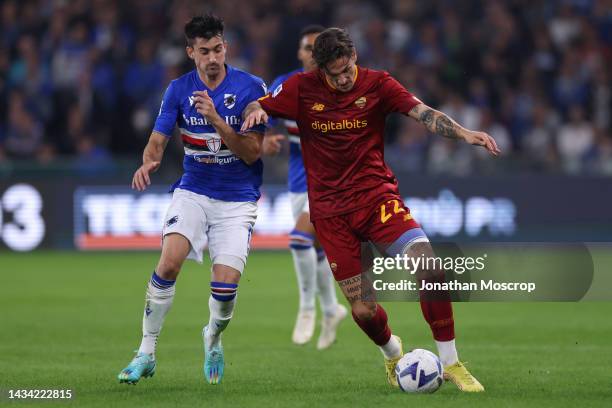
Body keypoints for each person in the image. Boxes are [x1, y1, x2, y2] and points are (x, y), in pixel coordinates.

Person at [242, 27, 500, 392]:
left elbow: (423, 113)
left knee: (431, 269)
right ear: (320, 70)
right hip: (331, 215)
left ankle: (451, 363)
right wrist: (255, 113)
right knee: (363, 310)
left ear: (354, 58)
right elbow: (261, 104)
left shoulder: (378, 84)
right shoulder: (301, 88)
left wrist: (465, 134)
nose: (346, 78)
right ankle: (393, 353)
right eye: (336, 74)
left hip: (377, 200)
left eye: (349, 68)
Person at [118, 14, 267, 385]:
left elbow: (251, 153)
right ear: (191, 52)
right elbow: (159, 137)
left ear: (225, 47)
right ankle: (145, 352)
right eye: (204, 51)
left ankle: (212, 338)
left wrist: (217, 119)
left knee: (225, 290)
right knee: (168, 263)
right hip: (194, 191)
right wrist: (149, 160)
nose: (213, 57)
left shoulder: (251, 88)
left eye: (218, 49)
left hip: (237, 200)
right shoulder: (177, 90)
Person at [263, 25, 347, 350]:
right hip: (298, 180)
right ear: (300, 53)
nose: (312, 53)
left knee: (299, 239)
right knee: (316, 249)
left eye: (318, 48)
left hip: (331, 180)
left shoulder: (339, 86)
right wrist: (268, 139)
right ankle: (331, 310)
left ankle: (307, 309)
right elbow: (265, 118)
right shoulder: (284, 86)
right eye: (307, 47)